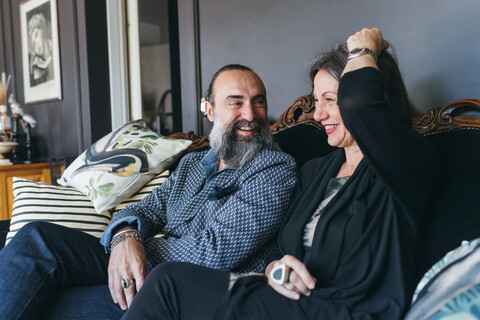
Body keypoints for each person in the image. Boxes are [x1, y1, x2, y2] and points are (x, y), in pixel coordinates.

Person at [121, 28, 438, 320]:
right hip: (290, 301)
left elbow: (360, 104)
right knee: (164, 281)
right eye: (316, 100)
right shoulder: (316, 171)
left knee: (167, 282)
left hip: (348, 310)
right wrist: (277, 269)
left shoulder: (405, 164)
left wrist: (364, 49)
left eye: (331, 100)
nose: (318, 114)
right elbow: (280, 248)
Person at [0, 64, 297, 319]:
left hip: (189, 291)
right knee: (37, 237)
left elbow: (214, 252)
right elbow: (145, 209)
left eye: (259, 102)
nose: (251, 113)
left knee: (51, 302)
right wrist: (125, 237)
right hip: (144, 268)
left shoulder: (274, 167)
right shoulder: (192, 164)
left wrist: (136, 251)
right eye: (236, 102)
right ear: (208, 109)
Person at [27, 12, 54, 86]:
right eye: (32, 39)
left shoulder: (54, 49)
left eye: (36, 34)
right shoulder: (36, 62)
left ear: (43, 31)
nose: (34, 43)